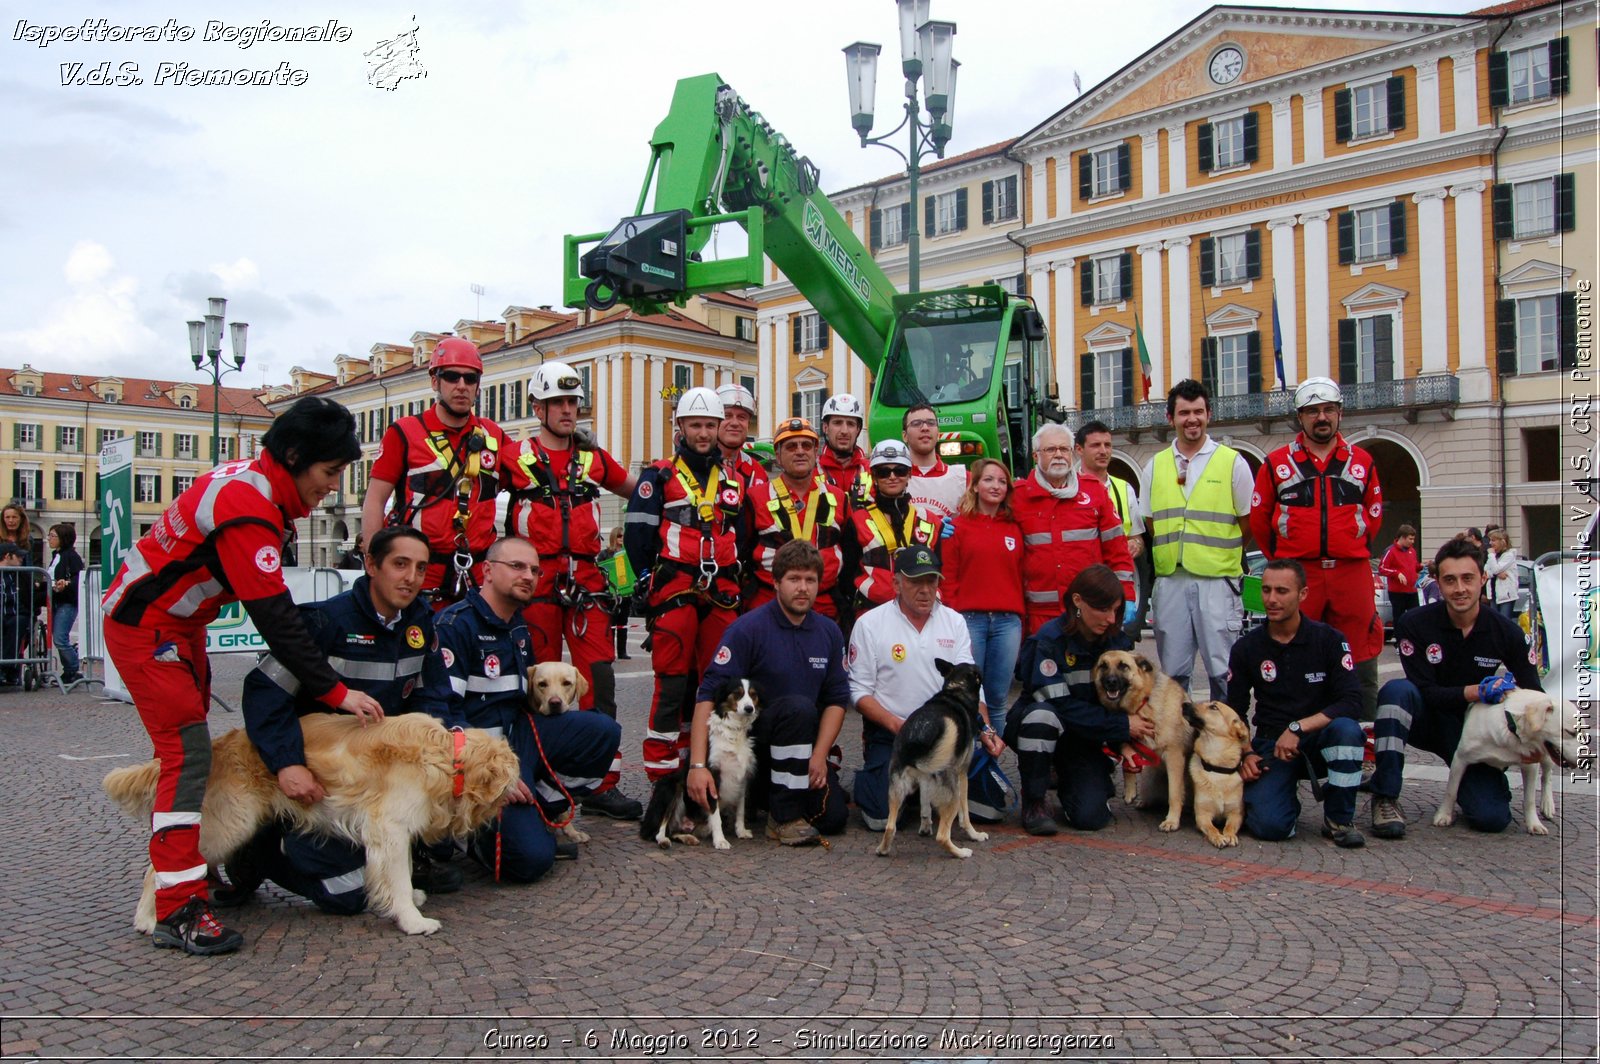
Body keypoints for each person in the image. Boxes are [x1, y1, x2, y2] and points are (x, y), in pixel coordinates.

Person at [101, 396, 382, 956]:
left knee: (190, 756)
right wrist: (334, 691)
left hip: (176, 627)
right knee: (187, 759)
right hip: (146, 627)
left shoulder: (254, 485)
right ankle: (176, 906)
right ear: (295, 457)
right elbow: (274, 616)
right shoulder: (247, 506)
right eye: (329, 473)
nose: (333, 487)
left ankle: (195, 865)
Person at [225, 526, 459, 913]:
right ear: (370, 564)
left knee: (423, 853)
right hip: (317, 782)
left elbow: (433, 696)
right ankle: (263, 854)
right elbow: (265, 693)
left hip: (376, 782)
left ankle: (381, 855)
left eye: (420, 568)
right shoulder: (324, 621)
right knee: (349, 897)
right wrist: (287, 764)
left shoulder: (420, 623)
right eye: (400, 564)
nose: (412, 578)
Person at [435, 537, 625, 882]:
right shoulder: (455, 626)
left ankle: (542, 807)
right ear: (487, 571)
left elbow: (525, 699)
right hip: (477, 755)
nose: (529, 576)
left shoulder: (519, 628)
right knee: (530, 861)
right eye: (517, 566)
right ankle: (469, 835)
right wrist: (493, 774)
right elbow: (443, 717)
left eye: (535, 570)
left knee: (603, 731)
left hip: (518, 739)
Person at [504, 361, 640, 820]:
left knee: (599, 683)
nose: (567, 410)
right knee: (538, 688)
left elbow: (635, 490)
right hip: (534, 587)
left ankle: (602, 783)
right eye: (557, 403)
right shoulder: (514, 457)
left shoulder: (591, 458)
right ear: (538, 407)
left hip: (586, 588)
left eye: (572, 402)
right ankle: (539, 778)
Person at [1369, 536, 1543, 838]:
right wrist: (1475, 691)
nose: (1459, 588)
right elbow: (1423, 690)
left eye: (1467, 578)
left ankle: (1476, 786)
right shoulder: (1414, 622)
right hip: (1427, 718)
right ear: (1437, 581)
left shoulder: (1508, 632)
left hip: (1475, 731)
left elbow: (1534, 694)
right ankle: (1385, 796)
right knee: (1396, 692)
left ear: (1483, 578)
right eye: (1449, 580)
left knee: (1491, 818)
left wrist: (1535, 741)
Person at [691, 540, 851, 845]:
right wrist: (698, 766)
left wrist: (819, 755)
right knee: (798, 708)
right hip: (752, 748)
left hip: (801, 750)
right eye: (793, 579)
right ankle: (783, 818)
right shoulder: (747, 629)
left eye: (810, 580)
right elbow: (708, 694)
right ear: (776, 582)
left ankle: (772, 799)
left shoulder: (828, 632)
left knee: (832, 819)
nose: (802, 588)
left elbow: (836, 699)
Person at [625, 387, 746, 784]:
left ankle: (711, 768)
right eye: (696, 425)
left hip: (720, 590)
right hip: (675, 587)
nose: (704, 433)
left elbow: (740, 534)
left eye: (710, 425)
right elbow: (637, 537)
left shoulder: (732, 478)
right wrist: (646, 580)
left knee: (717, 681)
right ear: (680, 427)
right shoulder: (658, 476)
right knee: (672, 680)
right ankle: (662, 774)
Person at [848, 546, 1010, 830]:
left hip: (947, 735)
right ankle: (887, 781)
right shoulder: (869, 624)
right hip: (895, 734)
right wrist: (897, 725)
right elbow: (859, 692)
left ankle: (926, 790)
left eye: (931, 581)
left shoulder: (954, 622)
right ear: (896, 583)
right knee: (879, 819)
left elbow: (973, 687)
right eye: (915, 582)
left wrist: (985, 729)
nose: (925, 590)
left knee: (990, 810)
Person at [1251, 376, 1384, 716]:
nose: (1321, 417)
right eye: (1312, 411)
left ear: (1339, 413)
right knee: (1294, 651)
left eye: (1328, 410)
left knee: (1360, 656)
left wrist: (1349, 547)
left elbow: (1374, 515)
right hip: (1300, 574)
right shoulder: (1277, 463)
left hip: (1350, 572)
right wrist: (1285, 563)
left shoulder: (1362, 462)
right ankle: (1294, 738)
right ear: (1300, 417)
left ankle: (1362, 741)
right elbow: (1260, 520)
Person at [361, 336, 513, 607]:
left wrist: (572, 441)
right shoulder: (405, 432)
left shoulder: (494, 434)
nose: (462, 386)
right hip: (419, 572)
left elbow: (534, 468)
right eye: (452, 377)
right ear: (435, 381)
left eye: (470, 379)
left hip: (478, 572)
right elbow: (374, 501)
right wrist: (373, 564)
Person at [1227, 559, 1367, 848]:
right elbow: (1234, 713)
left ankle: (1339, 819)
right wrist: (1246, 754)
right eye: (1266, 590)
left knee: (1347, 730)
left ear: (1302, 594)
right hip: (1271, 744)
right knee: (1270, 827)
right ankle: (1281, 797)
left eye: (1282, 591)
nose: (1272, 599)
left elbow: (1352, 701)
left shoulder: (1329, 640)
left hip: (1318, 740)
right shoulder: (1246, 647)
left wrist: (1298, 728)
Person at [1010, 564, 1154, 835]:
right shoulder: (1049, 642)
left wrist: (1124, 742)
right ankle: (1034, 799)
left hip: (1085, 738)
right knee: (1043, 715)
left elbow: (1126, 700)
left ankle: (1087, 777)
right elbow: (1061, 708)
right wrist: (1121, 727)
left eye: (1115, 610)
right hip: (1045, 728)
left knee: (1090, 817)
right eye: (1103, 609)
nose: (1111, 619)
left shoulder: (1115, 643)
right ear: (1077, 601)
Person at [1138, 380, 1254, 701]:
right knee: (1173, 672)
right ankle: (1180, 740)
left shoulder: (1233, 462)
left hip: (1218, 581)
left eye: (1198, 412)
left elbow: (1249, 522)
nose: (1192, 419)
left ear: (1209, 415)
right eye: (1184, 412)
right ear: (1170, 417)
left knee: (1223, 669)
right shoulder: (1154, 465)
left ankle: (1228, 741)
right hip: (1171, 580)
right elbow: (1151, 524)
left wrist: (1218, 553)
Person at [1011, 422, 1135, 635]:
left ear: (1072, 453)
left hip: (1088, 612)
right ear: (1035, 456)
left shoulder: (1094, 492)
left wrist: (1127, 596)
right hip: (1038, 615)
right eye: (1050, 449)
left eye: (1064, 449)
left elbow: (1117, 550)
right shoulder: (1017, 496)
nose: (1058, 455)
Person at [941, 457, 1025, 737]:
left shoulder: (1015, 527)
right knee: (972, 698)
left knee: (999, 699)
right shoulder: (957, 526)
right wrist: (953, 618)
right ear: (975, 485)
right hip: (970, 620)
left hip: (1007, 622)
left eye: (1002, 481)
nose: (996, 486)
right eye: (988, 479)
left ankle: (992, 766)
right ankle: (972, 763)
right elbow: (949, 576)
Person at [747, 418, 848, 617]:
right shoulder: (755, 497)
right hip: (769, 605)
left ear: (815, 452)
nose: (800, 451)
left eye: (806, 445)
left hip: (824, 605)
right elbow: (745, 551)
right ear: (777, 455)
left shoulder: (838, 497)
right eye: (791, 446)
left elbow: (849, 551)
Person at [847, 439, 938, 610]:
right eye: (883, 472)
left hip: (920, 614)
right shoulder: (858, 520)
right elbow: (848, 574)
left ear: (910, 474)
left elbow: (942, 571)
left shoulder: (929, 520)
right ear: (873, 476)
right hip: (872, 611)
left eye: (900, 471)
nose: (892, 477)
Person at [900, 403, 967, 522]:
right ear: (904, 436)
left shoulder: (964, 478)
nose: (925, 428)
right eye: (916, 424)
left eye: (931, 423)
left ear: (938, 433)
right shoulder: (890, 476)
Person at [818, 393, 872, 510]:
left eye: (851, 424)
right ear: (825, 427)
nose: (844, 431)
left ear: (858, 430)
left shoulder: (872, 470)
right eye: (837, 423)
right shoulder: (811, 471)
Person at [45, 523, 84, 684]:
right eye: (49, 535)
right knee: (58, 637)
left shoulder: (71, 556)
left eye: (53, 536)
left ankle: (73, 668)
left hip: (67, 601)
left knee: (60, 638)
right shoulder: (56, 555)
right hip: (56, 600)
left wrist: (66, 584)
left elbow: (78, 578)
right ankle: (68, 670)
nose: (49, 539)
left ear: (63, 538)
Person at [714, 383, 768, 495]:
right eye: (727, 415)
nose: (734, 423)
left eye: (741, 417)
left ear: (748, 423)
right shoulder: (693, 465)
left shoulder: (757, 471)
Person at [0, 543, 36, 686]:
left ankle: (7, 667)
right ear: (7, 556)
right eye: (18, 555)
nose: (22, 558)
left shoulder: (22, 575)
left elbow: (31, 596)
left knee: (18, 623)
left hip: (17, 613)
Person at [597, 526, 633, 660]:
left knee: (623, 624)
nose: (621, 538)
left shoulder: (626, 553)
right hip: (611, 593)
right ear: (614, 537)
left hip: (625, 593)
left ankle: (622, 651)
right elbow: (599, 569)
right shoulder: (605, 553)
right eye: (619, 536)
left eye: (623, 536)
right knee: (611, 624)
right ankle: (609, 650)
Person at [1378, 524, 1419, 633]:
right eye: (1410, 539)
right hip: (1398, 592)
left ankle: (1414, 640)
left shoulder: (1412, 551)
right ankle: (1399, 642)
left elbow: (1414, 566)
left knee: (1415, 617)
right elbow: (1382, 568)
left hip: (1412, 590)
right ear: (1402, 537)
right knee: (1399, 618)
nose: (1412, 542)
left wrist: (1422, 566)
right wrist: (1396, 573)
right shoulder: (1391, 551)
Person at [1484, 527, 1520, 620]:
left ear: (1502, 541)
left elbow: (1496, 569)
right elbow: (1486, 572)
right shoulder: (1494, 556)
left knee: (1504, 621)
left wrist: (1491, 555)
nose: (1490, 543)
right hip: (1493, 593)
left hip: (1505, 595)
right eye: (1490, 540)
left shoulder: (1508, 555)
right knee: (1495, 621)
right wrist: (1497, 574)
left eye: (1493, 540)